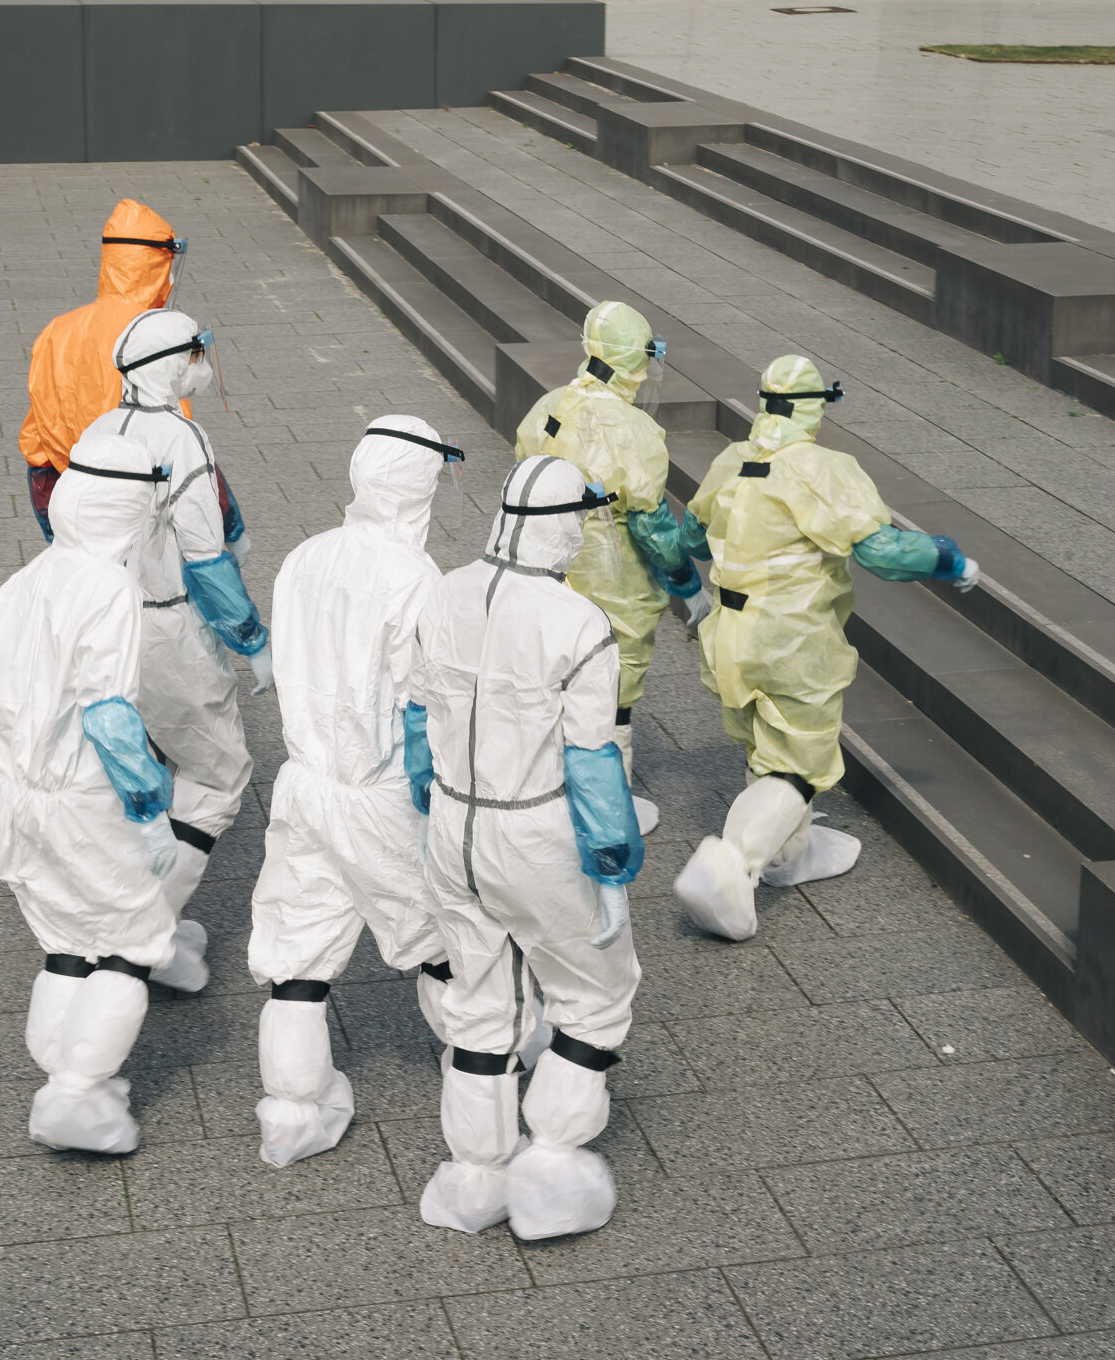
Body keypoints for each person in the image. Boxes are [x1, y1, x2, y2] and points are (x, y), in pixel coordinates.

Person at [409, 455, 644, 1242]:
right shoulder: (576, 621)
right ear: (565, 524)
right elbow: (589, 759)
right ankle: (549, 1168)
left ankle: (474, 1178)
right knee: (594, 993)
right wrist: (611, 866)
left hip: (452, 824)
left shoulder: (443, 590)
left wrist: (428, 808)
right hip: (533, 829)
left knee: (479, 999)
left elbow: (414, 718)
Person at [672, 355, 981, 943]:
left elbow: (692, 536)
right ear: (817, 407)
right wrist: (949, 558)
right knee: (800, 763)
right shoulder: (824, 468)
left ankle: (793, 855)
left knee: (764, 739)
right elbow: (882, 553)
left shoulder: (732, 461)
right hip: (791, 640)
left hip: (728, 635)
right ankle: (731, 866)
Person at [0, 428, 204, 1157]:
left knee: (67, 938)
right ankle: (76, 1092)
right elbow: (108, 712)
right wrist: (148, 809)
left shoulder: (33, 575)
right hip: (79, 799)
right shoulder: (107, 586)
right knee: (132, 943)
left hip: (13, 795)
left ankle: (68, 1079)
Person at [247, 417, 466, 1168]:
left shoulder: (305, 556)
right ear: (420, 487)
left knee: (297, 946)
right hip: (380, 795)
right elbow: (424, 705)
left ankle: (292, 1111)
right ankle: (485, 1076)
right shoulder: (416, 578)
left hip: (306, 783)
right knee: (441, 942)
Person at [85, 309, 271, 908]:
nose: (202, 367)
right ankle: (151, 928)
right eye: (195, 354)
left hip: (104, 620)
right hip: (167, 626)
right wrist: (252, 640)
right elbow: (205, 556)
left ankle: (117, 894)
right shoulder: (180, 436)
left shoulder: (101, 430)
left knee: (142, 762)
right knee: (218, 778)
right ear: (172, 364)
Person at [516, 301, 705, 837]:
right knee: (611, 693)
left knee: (554, 682)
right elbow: (650, 526)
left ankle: (550, 794)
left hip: (546, 564)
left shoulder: (549, 406)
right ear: (635, 362)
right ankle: (606, 810)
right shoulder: (635, 429)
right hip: (610, 573)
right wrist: (688, 585)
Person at [19, 199, 247, 558]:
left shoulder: (56, 331)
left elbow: (38, 437)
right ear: (156, 265)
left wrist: (53, 520)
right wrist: (230, 526)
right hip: (137, 500)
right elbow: (179, 442)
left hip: (68, 491)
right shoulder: (155, 342)